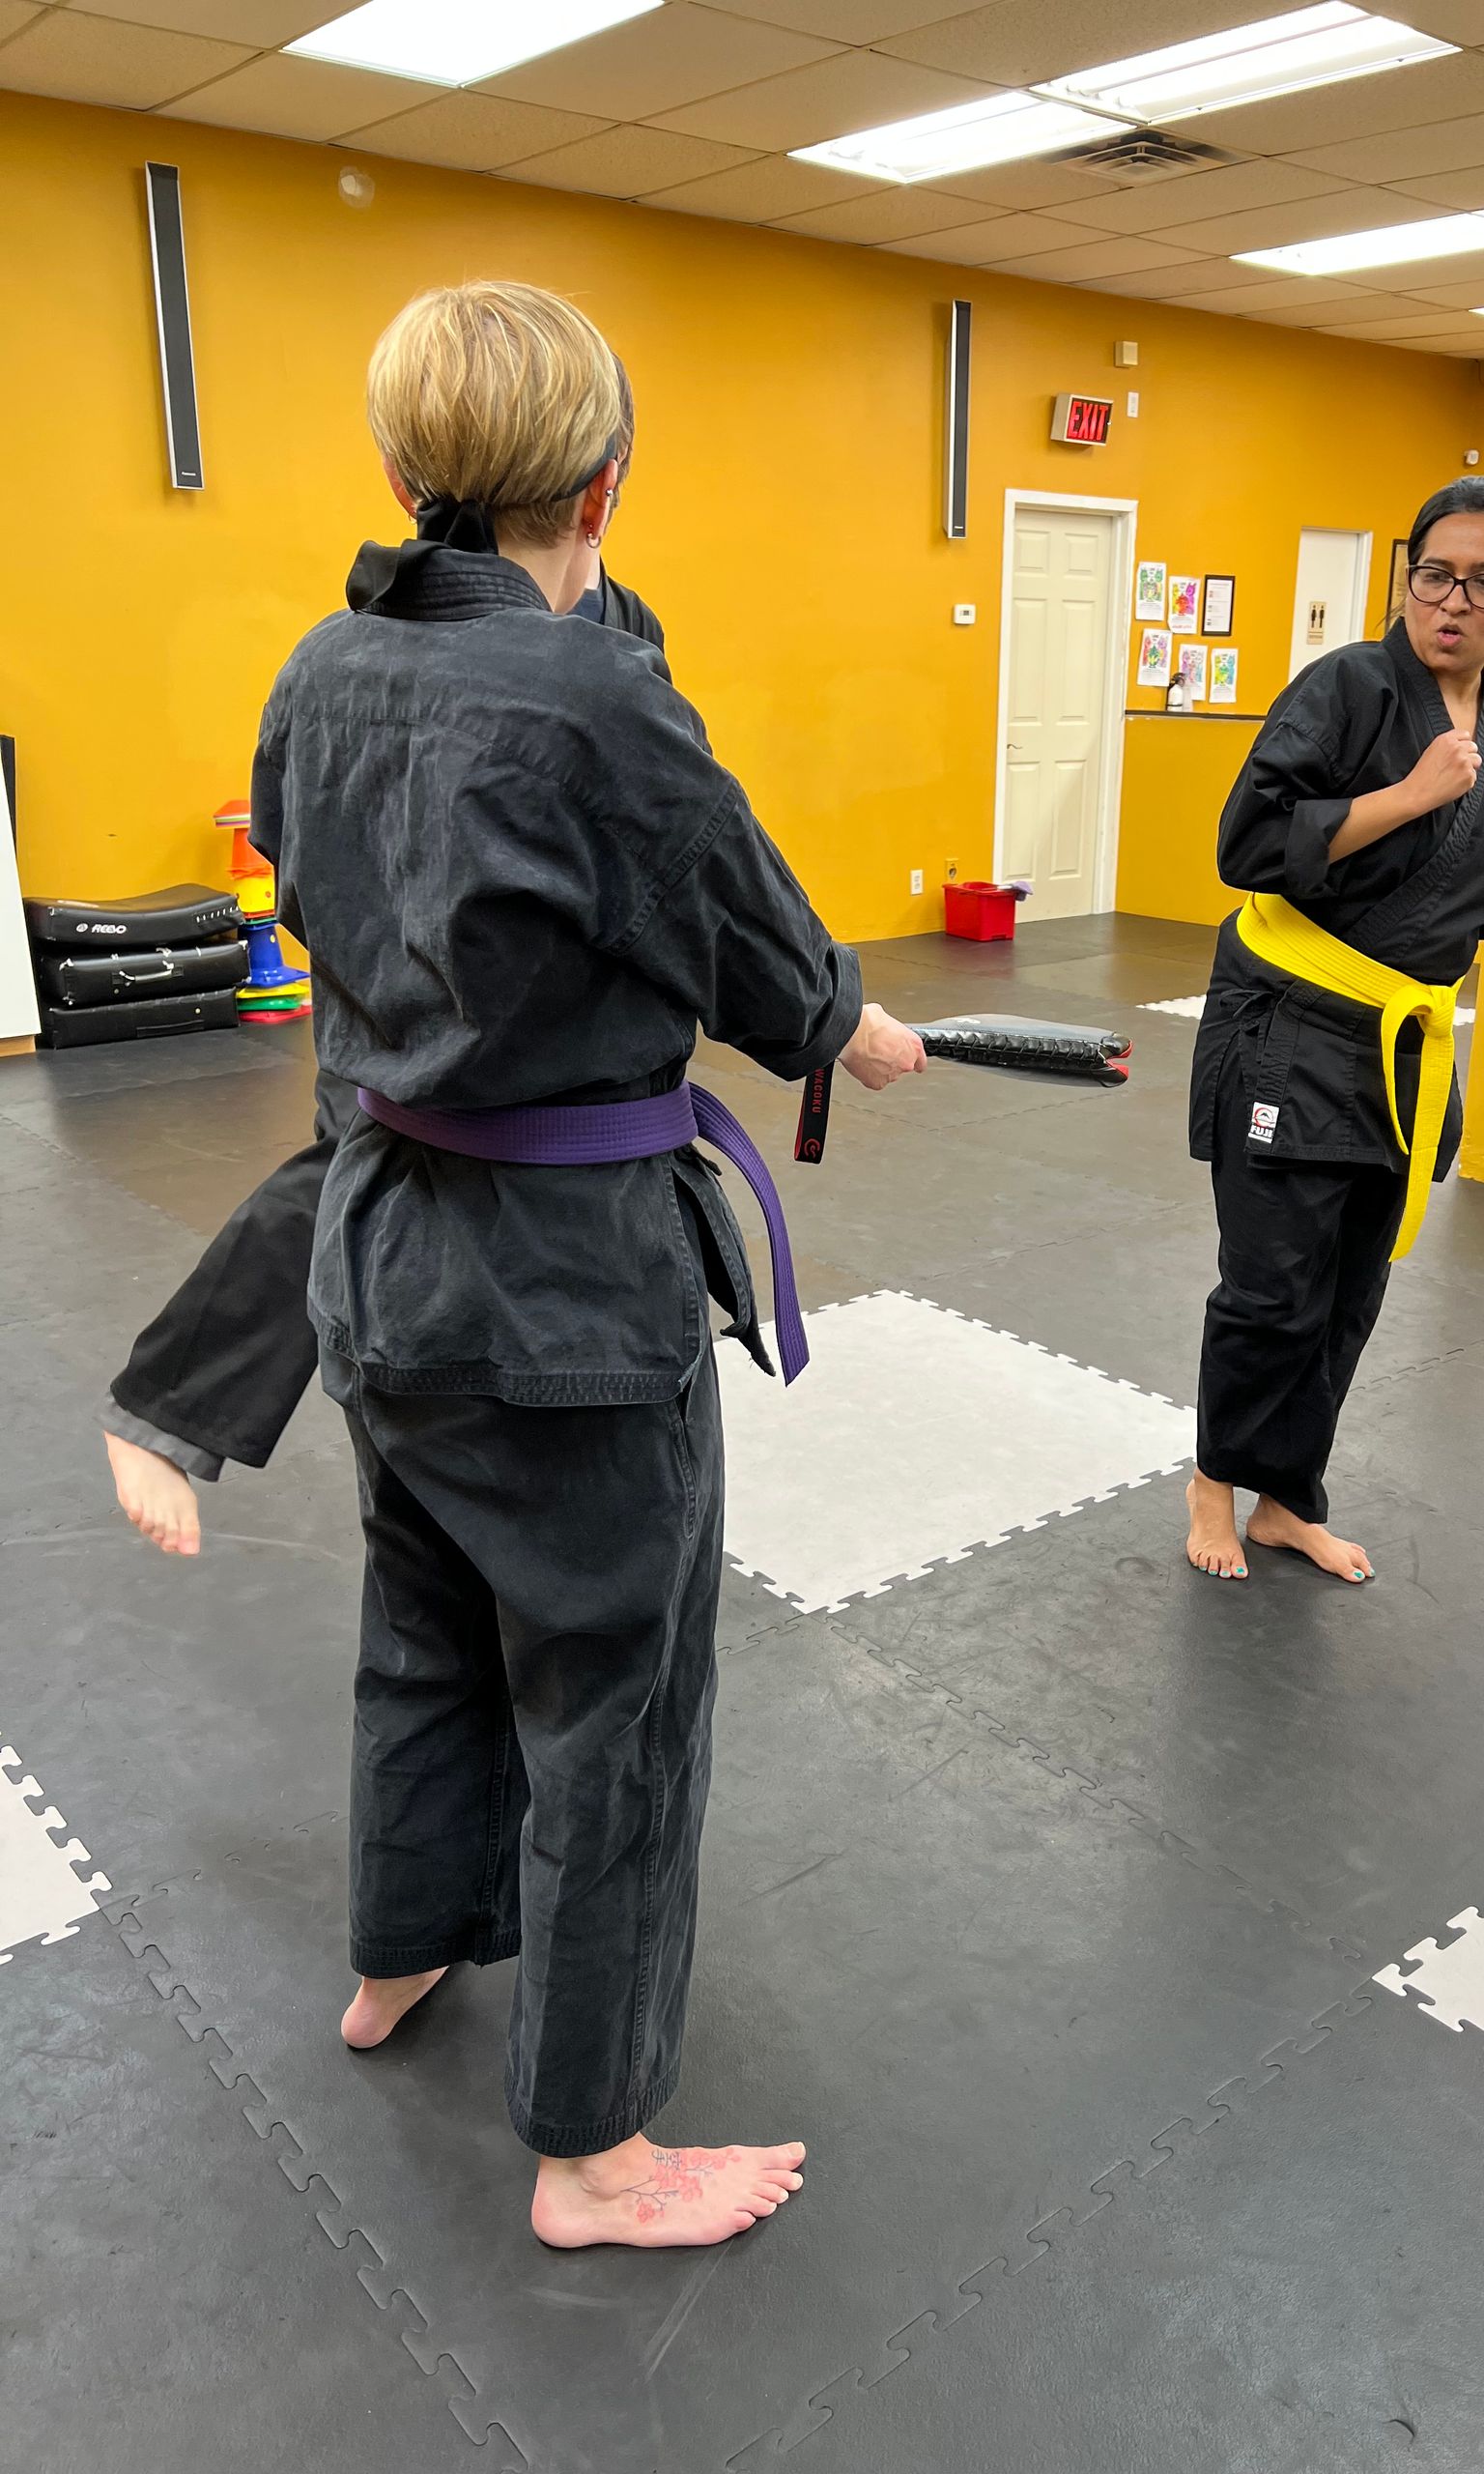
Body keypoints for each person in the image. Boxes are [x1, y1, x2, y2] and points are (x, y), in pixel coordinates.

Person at [232, 278, 926, 2249]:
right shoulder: (602, 701)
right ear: (608, 482)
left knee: (424, 1626)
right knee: (616, 1701)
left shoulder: (317, 668)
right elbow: (756, 941)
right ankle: (596, 2157)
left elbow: (324, 895)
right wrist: (852, 1026)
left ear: (401, 473)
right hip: (563, 1296)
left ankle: (399, 1953)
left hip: (384, 1258)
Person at [101, 564, 677, 1558]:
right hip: (398, 959)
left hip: (515, 971)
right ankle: (168, 1408)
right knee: (357, 1162)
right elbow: (299, 821)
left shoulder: (617, 628)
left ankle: (172, 1409)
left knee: (406, 1181)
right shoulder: (376, 630)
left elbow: (653, 824)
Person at [1184, 475, 1484, 1587]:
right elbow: (1247, 845)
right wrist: (1408, 794)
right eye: (1435, 574)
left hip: (1402, 1051)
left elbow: (1476, 908)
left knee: (1349, 1292)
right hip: (1291, 1028)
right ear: (1409, 575)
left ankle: (1285, 1501)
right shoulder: (1348, 687)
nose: (1453, 601)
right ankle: (1214, 1481)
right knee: (1271, 1286)